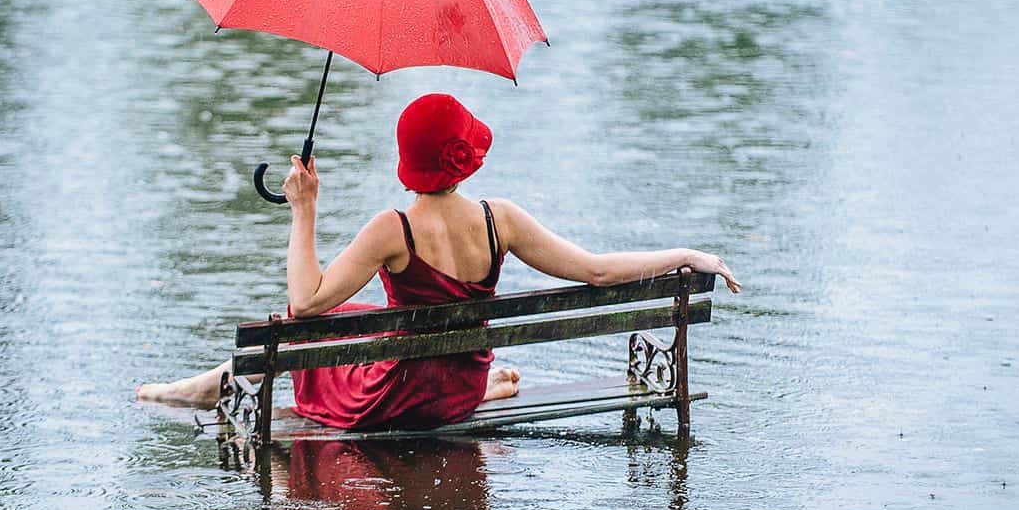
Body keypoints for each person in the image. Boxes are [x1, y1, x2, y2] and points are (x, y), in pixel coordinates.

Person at [136, 93, 741, 429]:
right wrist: (687, 254)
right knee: (360, 313)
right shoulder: (498, 218)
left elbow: (305, 305)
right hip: (458, 385)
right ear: (461, 160)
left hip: (398, 395)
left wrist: (304, 209)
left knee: (297, 331)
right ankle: (489, 387)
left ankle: (198, 389)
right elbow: (599, 271)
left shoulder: (391, 230)